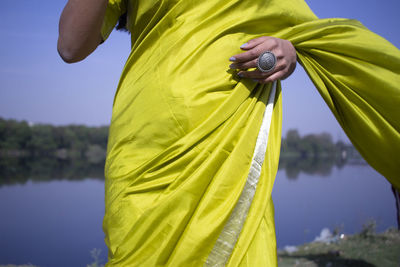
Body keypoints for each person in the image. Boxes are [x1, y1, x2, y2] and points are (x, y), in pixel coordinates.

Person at [58, 0, 400, 266]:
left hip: (234, 133)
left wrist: (289, 51)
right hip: (148, 139)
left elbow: (298, 24)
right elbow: (71, 46)